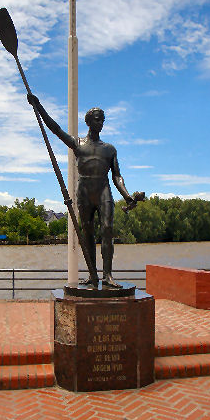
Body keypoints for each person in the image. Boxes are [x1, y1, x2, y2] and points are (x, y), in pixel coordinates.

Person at [27, 94, 137, 289]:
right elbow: (55, 129)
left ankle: (108, 275)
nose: (101, 122)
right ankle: (92, 274)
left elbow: (117, 176)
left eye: (103, 119)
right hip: (84, 191)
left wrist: (126, 195)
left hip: (103, 190)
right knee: (87, 234)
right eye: (97, 119)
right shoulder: (78, 143)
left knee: (107, 230)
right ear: (88, 122)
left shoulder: (110, 149)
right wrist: (39, 106)